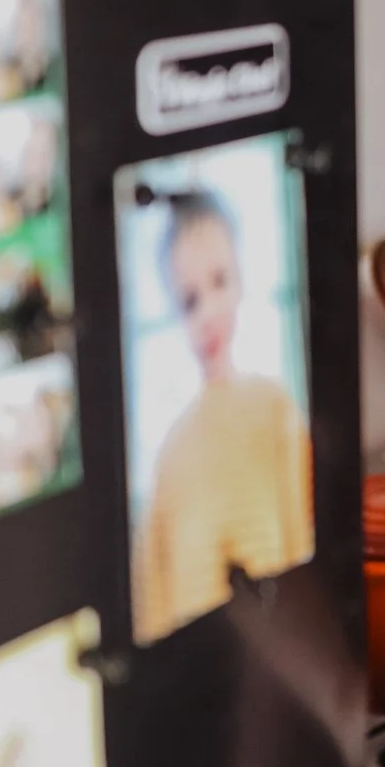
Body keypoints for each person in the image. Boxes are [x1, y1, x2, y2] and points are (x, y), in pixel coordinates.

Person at [133, 189, 313, 644]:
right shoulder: (170, 456)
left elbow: (306, 554)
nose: (209, 313)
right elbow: (153, 614)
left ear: (241, 279)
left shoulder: (274, 410)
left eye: (219, 281)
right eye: (190, 300)